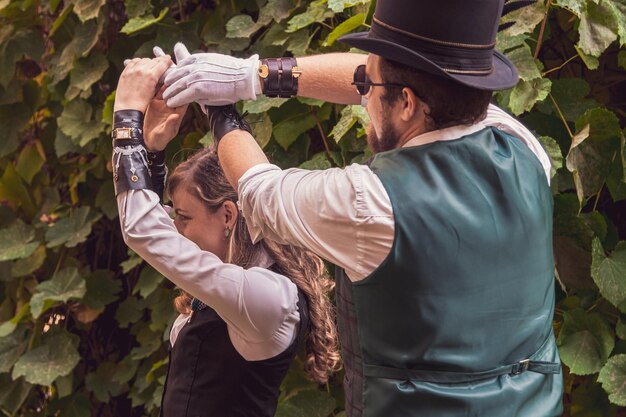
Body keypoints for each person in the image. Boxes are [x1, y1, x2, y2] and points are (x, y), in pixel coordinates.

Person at [156, 0, 565, 416]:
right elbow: (394, 77)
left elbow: (259, 190)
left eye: (367, 88)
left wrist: (220, 109)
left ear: (407, 102)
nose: (361, 96)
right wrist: (253, 76)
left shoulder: (369, 202)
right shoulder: (519, 142)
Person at [110, 56, 340, 417]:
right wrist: (152, 152)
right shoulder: (249, 283)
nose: (176, 228)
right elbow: (153, 226)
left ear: (229, 215)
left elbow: (145, 229)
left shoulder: (268, 298)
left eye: (183, 217)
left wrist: (126, 119)